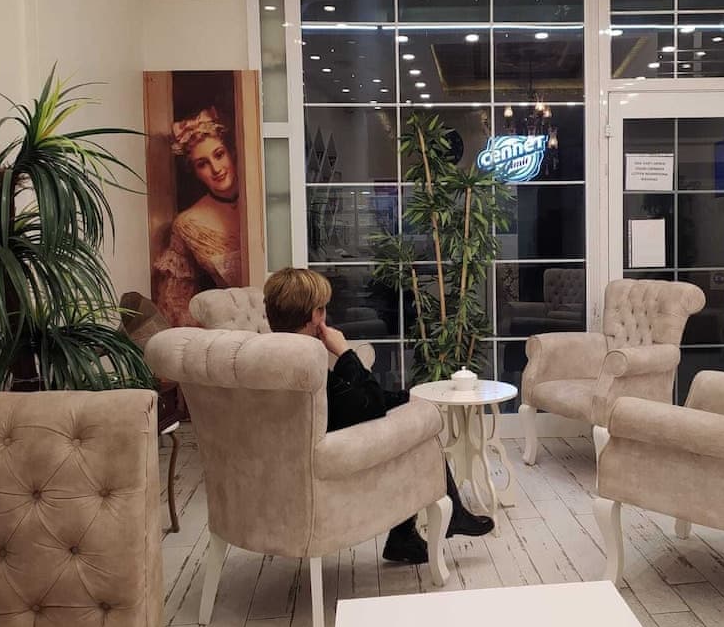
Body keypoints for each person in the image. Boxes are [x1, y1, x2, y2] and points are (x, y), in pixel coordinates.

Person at [263, 267, 495, 564]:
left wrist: (403, 397)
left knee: (408, 406)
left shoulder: (268, 356)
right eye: (322, 308)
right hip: (334, 462)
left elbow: (345, 400)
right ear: (314, 315)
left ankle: (413, 534)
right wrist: (345, 352)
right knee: (419, 428)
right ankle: (428, 525)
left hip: (290, 465)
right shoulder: (306, 362)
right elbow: (366, 404)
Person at [153, 107, 242, 326]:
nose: (216, 169)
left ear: (232, 152)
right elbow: (175, 304)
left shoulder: (263, 201)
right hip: (234, 329)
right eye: (202, 164)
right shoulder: (189, 224)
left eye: (219, 154)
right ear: (194, 171)